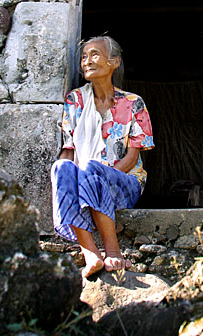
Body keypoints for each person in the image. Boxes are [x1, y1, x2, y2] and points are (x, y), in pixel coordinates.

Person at [51, 36, 154, 279]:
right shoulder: (74, 101)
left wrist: (96, 181)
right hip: (88, 176)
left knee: (90, 168)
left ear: (114, 62)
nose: (87, 61)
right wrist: (74, 179)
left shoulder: (133, 103)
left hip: (123, 182)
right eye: (84, 57)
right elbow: (69, 149)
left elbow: (131, 158)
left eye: (95, 54)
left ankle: (112, 250)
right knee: (61, 167)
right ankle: (90, 253)